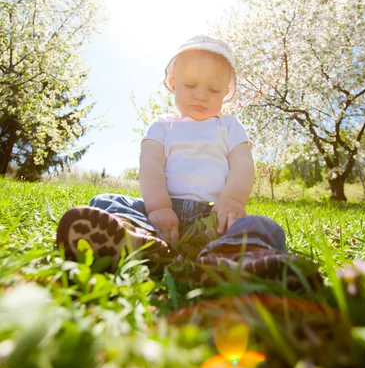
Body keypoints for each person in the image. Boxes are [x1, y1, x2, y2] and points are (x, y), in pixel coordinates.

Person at [57, 35, 318, 286]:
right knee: (105, 201)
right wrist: (158, 208)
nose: (201, 95)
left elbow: (242, 163)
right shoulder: (162, 126)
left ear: (225, 92)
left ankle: (233, 255)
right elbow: (151, 165)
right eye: (190, 85)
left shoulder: (228, 125)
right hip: (161, 217)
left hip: (214, 219)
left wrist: (232, 201)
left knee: (265, 226)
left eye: (213, 89)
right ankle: (140, 241)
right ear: (173, 83)